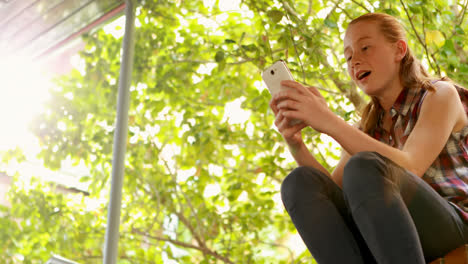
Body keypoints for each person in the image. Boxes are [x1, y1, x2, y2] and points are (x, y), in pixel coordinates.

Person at [270, 13, 468, 264]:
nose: (355, 61)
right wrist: (295, 143)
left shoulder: (439, 94)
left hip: (451, 226)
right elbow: (332, 198)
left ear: (399, 50)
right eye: (348, 56)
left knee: (363, 166)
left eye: (365, 47)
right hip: (389, 235)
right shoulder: (367, 128)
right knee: (299, 182)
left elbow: (411, 166)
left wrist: (328, 120)